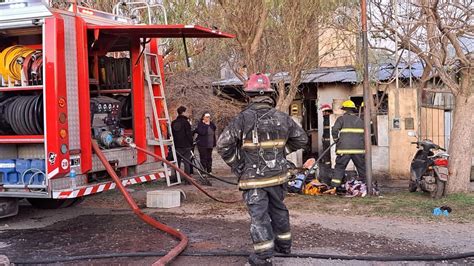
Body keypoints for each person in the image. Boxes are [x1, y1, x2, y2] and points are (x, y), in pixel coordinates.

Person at [217, 73, 308, 266]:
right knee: (279, 210)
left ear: (249, 95)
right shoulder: (283, 118)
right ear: (269, 94)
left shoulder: (242, 119)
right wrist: (280, 152)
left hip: (254, 180)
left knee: (259, 216)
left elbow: (223, 145)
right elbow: (302, 138)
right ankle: (284, 246)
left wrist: (237, 164)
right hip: (278, 178)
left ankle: (263, 256)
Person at [331, 100, 366, 187]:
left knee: (339, 168)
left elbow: (334, 130)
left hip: (344, 149)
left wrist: (336, 140)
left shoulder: (341, 119)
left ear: (344, 110)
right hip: (358, 150)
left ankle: (335, 186)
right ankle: (365, 185)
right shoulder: (360, 120)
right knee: (361, 168)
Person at [171, 106, 193, 175]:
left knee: (177, 163)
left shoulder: (173, 122)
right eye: (187, 112)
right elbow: (189, 135)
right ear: (183, 112)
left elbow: (171, 134)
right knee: (187, 163)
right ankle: (187, 179)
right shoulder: (186, 123)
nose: (188, 114)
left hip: (176, 146)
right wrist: (191, 144)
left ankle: (176, 178)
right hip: (186, 146)